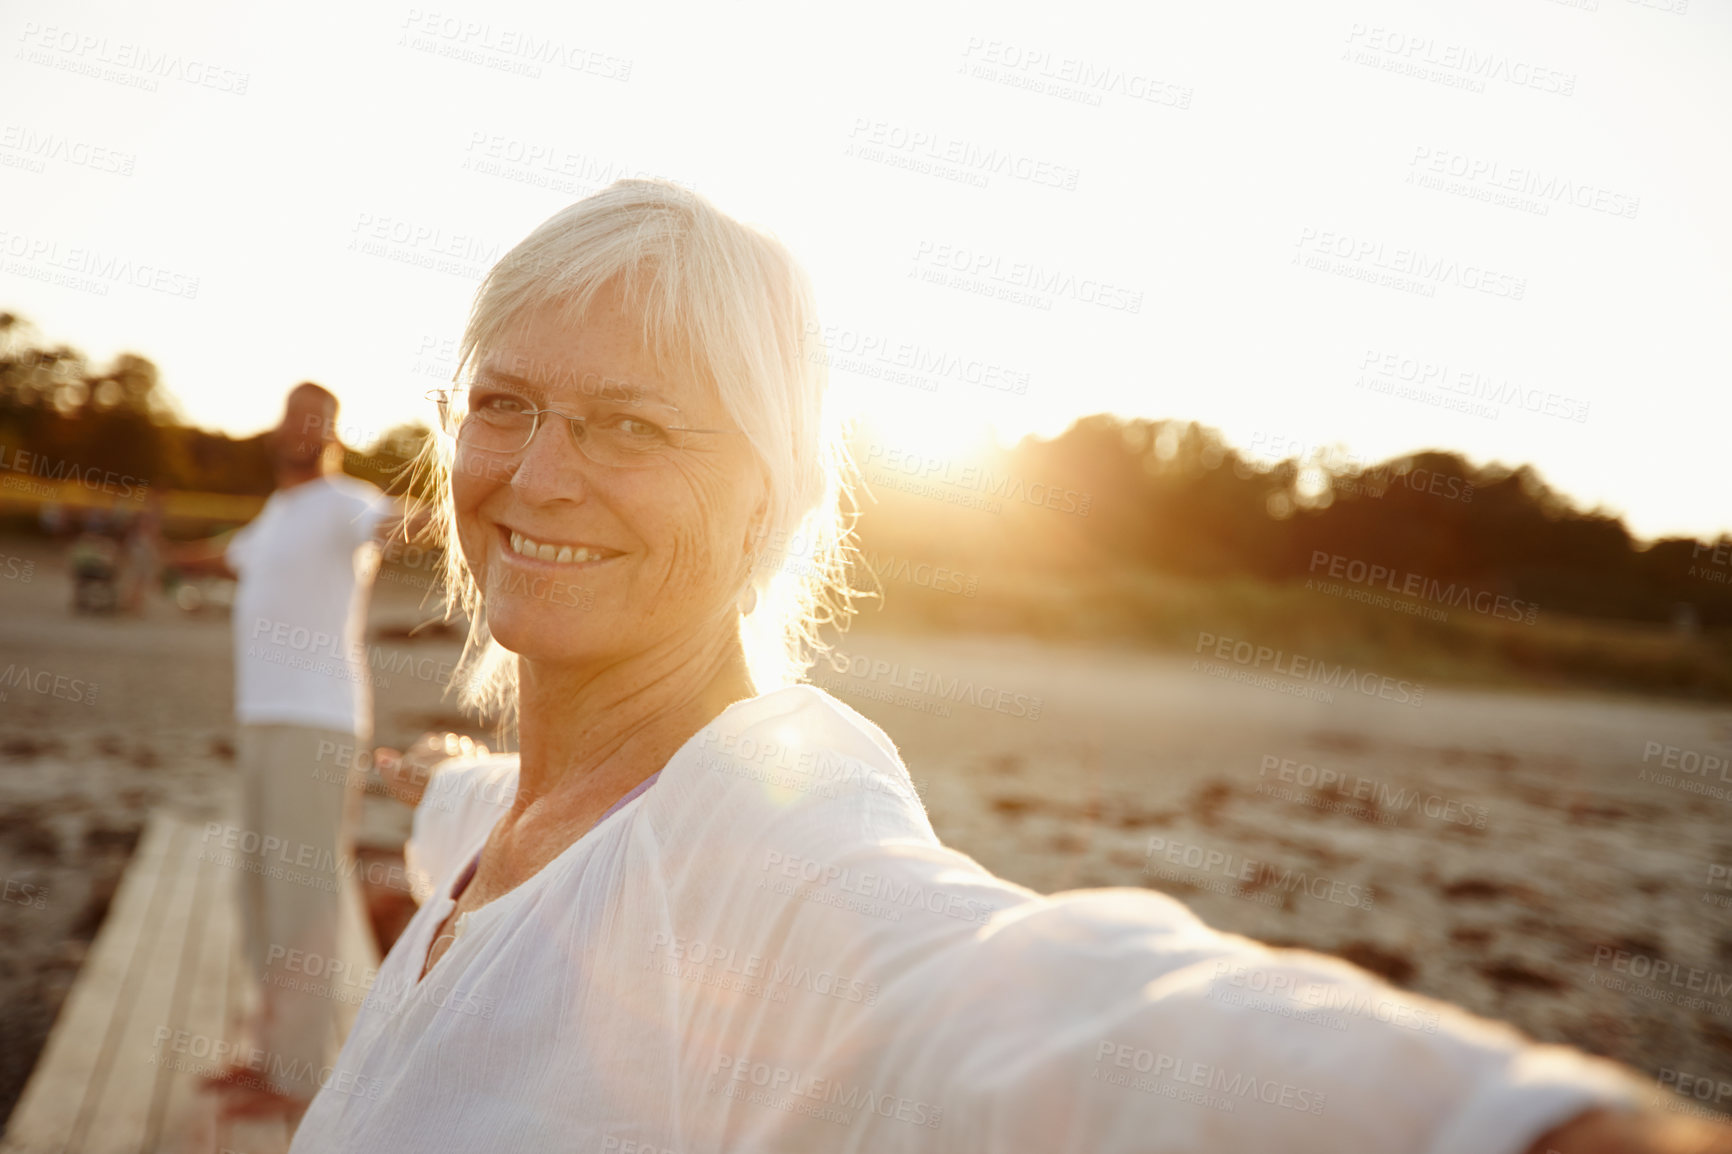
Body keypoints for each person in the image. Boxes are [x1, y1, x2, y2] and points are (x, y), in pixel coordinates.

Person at [288, 181, 1731, 1154]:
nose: (540, 473)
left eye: (631, 426)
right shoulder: (506, 829)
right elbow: (509, 836)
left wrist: (1516, 1127)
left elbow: (994, 991)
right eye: (508, 404)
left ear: (765, 493)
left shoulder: (755, 820)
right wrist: (440, 803)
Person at [171, 383, 423, 1122]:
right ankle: (269, 1051)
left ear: (334, 431)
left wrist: (450, 508)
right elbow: (228, 559)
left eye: (319, 418)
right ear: (279, 429)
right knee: (255, 893)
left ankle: (298, 1072)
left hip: (318, 722)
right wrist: (160, 549)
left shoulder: (348, 500)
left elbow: (395, 524)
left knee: (301, 895)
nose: (304, 428)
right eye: (294, 415)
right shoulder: (276, 513)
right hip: (260, 718)